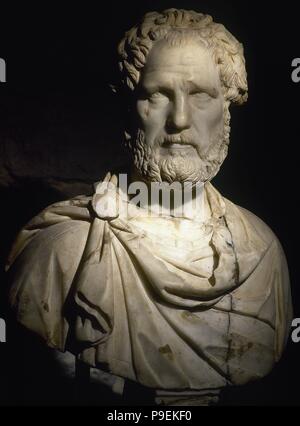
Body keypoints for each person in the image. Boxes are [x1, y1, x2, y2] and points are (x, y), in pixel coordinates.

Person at [6, 9, 292, 405]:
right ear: (128, 107)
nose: (179, 119)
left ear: (227, 109)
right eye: (157, 94)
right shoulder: (61, 253)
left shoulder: (262, 255)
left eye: (201, 96)